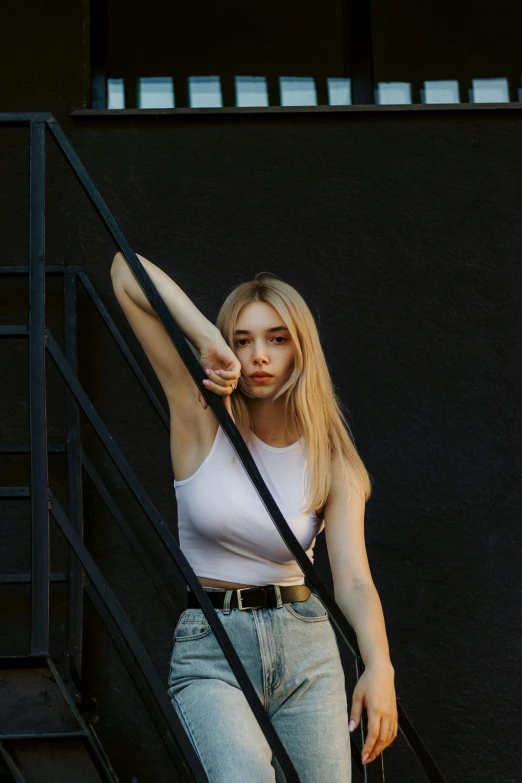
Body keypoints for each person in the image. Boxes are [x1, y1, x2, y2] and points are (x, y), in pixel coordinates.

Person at [110, 252, 398, 782]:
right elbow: (124, 273)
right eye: (243, 339)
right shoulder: (199, 418)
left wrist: (379, 666)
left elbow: (354, 579)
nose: (259, 354)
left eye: (277, 338)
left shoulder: (331, 458)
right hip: (212, 647)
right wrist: (206, 340)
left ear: (300, 349)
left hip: (306, 646)